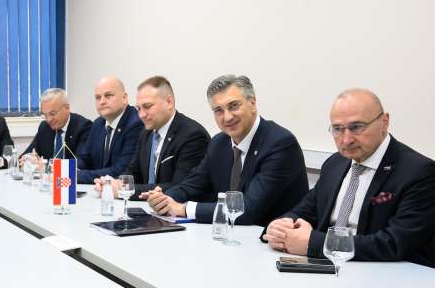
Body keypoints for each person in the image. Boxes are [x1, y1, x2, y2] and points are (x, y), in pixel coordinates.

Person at [264, 89, 435, 265]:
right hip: (325, 268)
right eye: (338, 129)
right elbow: (305, 211)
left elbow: (393, 243)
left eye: (357, 127)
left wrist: (313, 244)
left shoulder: (419, 171)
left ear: (384, 122)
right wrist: (279, 227)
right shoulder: (335, 163)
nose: (346, 140)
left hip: (380, 272)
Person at [147, 74, 308, 225]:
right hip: (229, 234)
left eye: (234, 106)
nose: (227, 117)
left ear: (252, 103)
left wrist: (183, 209)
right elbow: (192, 185)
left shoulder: (280, 144)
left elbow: (248, 209)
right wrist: (165, 199)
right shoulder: (219, 143)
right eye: (218, 110)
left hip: (269, 238)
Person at [98, 76, 209, 198]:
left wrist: (123, 190)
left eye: (147, 106)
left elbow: (180, 186)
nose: (141, 115)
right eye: (138, 108)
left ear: (169, 102)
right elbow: (133, 172)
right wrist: (112, 184)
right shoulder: (146, 133)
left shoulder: (193, 135)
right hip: (148, 207)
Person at [76, 76, 143, 184]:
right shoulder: (98, 123)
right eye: (98, 97)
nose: (102, 101)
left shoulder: (136, 123)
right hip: (100, 189)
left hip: (124, 191)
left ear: (124, 98)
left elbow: (121, 171)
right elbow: (85, 158)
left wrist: (76, 176)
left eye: (108, 96)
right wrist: (69, 169)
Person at [21, 88, 92, 162]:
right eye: (45, 115)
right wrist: (27, 159)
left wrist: (47, 166)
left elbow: (81, 162)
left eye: (52, 114)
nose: (48, 119)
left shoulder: (84, 127)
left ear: (67, 107)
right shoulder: (44, 127)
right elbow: (27, 154)